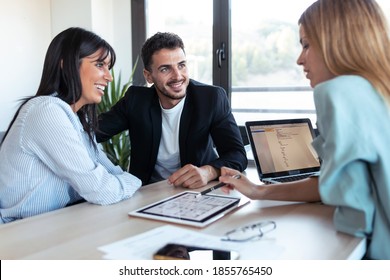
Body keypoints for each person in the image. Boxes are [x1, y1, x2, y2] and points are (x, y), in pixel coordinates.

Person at [219, 0, 390, 260]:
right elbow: (333, 183)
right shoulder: (379, 90)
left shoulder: (338, 92)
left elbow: (356, 217)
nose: (300, 59)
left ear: (338, 41)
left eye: (306, 44)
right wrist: (258, 190)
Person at [0, 27, 142, 224]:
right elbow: (101, 190)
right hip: (19, 233)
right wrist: (135, 181)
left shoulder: (77, 120)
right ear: (66, 65)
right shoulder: (47, 111)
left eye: (108, 67)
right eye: (100, 64)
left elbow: (112, 173)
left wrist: (125, 181)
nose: (108, 76)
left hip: (54, 225)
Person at [97, 32, 247, 188]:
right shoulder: (136, 100)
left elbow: (237, 155)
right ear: (148, 76)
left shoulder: (211, 99)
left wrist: (208, 172)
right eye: (165, 69)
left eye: (181, 65)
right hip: (147, 193)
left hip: (196, 191)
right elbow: (92, 132)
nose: (177, 76)